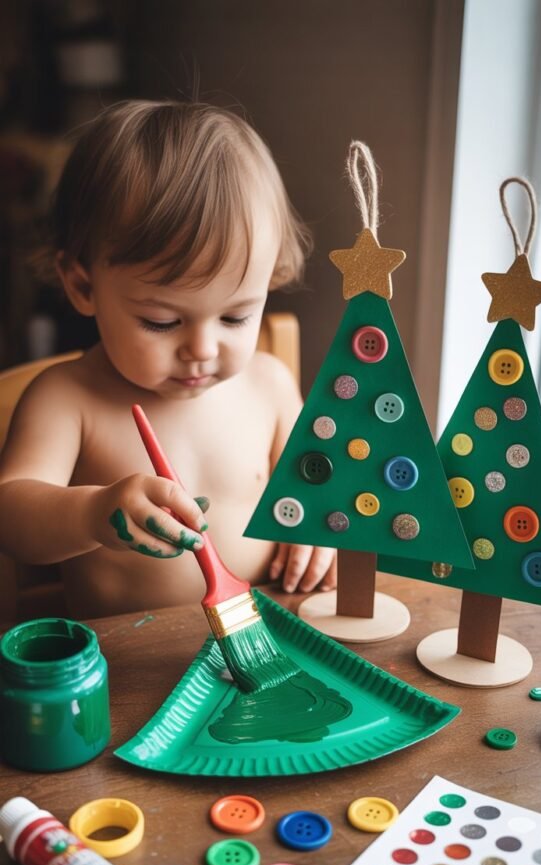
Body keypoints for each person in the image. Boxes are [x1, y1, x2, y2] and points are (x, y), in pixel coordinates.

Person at [0, 100, 336, 617]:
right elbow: (11, 515)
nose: (201, 349)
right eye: (161, 321)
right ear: (82, 285)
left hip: (268, 634)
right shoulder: (67, 399)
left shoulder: (269, 385)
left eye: (235, 317)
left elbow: (318, 493)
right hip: (129, 665)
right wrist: (93, 513)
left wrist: (319, 533)